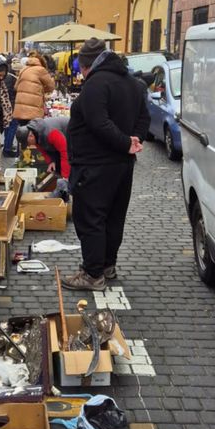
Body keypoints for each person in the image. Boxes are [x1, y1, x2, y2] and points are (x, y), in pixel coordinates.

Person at [63, 37, 149, 291]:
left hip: (94, 164)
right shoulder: (133, 83)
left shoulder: (96, 85)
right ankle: (107, 265)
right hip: (122, 166)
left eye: (81, 67)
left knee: (91, 219)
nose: (81, 72)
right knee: (113, 217)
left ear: (87, 64)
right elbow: (143, 117)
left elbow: (98, 123)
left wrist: (125, 142)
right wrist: (134, 140)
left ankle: (92, 274)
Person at [12, 50, 55, 124]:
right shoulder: (41, 69)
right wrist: (42, 89)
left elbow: (16, 87)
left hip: (20, 110)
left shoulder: (23, 69)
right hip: (33, 112)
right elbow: (51, 87)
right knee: (33, 133)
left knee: (23, 133)